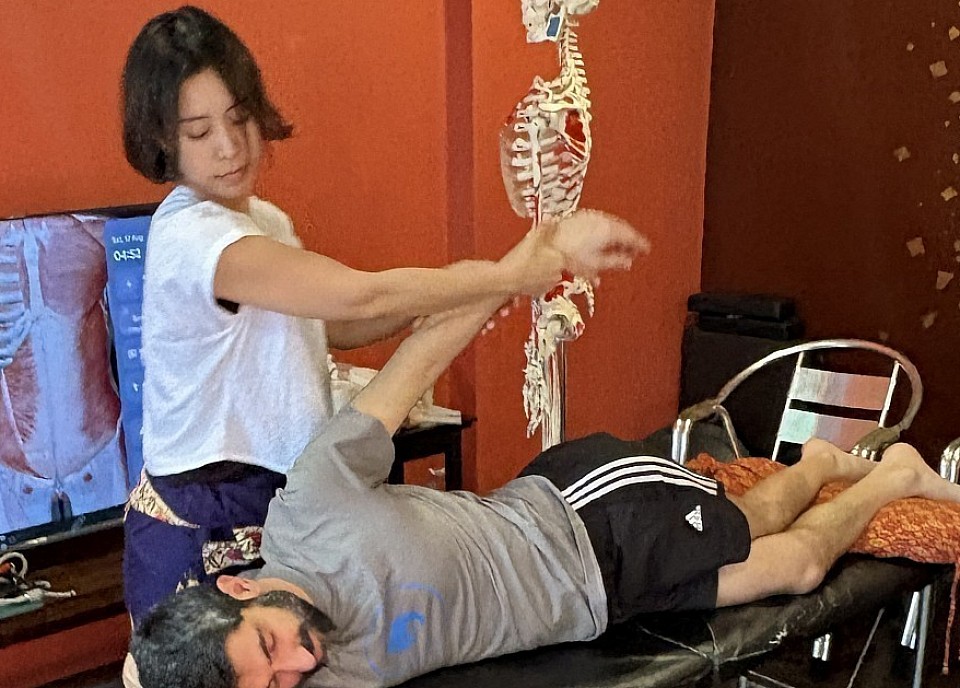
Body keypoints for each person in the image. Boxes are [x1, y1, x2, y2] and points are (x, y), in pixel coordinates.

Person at [129, 273, 960, 688]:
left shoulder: (311, 503)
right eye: (272, 683)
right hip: (599, 604)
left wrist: (512, 276)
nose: (296, 665)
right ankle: (861, 471)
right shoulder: (286, 679)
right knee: (791, 557)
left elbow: (414, 363)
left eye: (270, 645)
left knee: (767, 533)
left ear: (238, 585)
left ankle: (855, 468)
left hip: (585, 517)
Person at [119, 5, 639, 625]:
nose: (229, 147)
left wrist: (476, 291)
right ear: (163, 141)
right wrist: (507, 276)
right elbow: (358, 297)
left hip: (279, 504)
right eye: (199, 133)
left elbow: (337, 327)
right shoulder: (192, 236)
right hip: (202, 521)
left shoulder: (266, 222)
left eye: (238, 119)